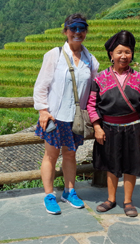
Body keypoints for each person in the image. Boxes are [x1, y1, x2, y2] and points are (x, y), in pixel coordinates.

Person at [34, 13, 100, 215]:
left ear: (86, 32)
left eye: (82, 29)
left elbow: (94, 88)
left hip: (76, 118)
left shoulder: (91, 60)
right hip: (55, 116)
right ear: (66, 31)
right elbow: (41, 85)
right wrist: (43, 110)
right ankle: (49, 194)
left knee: (71, 155)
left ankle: (70, 191)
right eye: (73, 29)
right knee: (51, 156)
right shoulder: (54, 55)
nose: (77, 33)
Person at [86, 30, 140, 217]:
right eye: (119, 52)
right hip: (108, 129)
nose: (123, 56)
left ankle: (128, 201)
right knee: (112, 165)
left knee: (131, 165)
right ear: (111, 54)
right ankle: (111, 198)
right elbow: (91, 105)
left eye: (127, 52)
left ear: (132, 54)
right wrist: (98, 127)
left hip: (134, 128)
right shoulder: (99, 79)